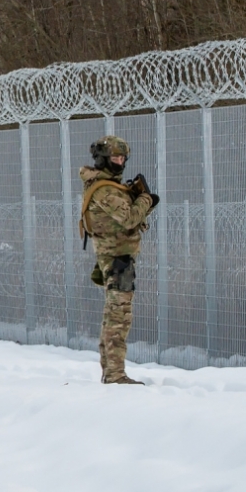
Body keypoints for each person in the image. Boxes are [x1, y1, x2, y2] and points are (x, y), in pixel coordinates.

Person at [79, 135, 159, 384]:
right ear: (104, 158)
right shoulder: (104, 189)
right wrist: (146, 199)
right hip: (116, 261)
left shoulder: (108, 186)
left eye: (122, 157)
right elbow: (128, 218)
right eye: (115, 157)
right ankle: (114, 374)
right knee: (119, 317)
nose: (120, 161)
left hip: (118, 259)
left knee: (114, 315)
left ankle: (111, 371)